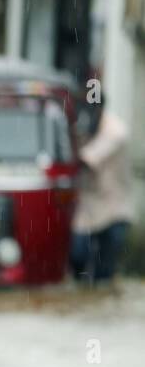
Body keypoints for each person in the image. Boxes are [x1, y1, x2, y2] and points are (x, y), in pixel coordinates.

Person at [70, 97, 132, 285]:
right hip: (87, 206)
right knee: (77, 256)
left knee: (104, 271)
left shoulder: (115, 131)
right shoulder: (81, 127)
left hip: (114, 207)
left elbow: (86, 160)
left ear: (100, 108)